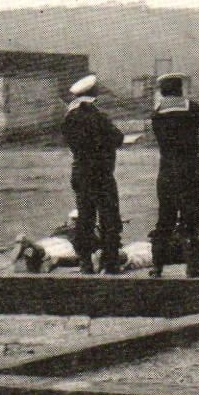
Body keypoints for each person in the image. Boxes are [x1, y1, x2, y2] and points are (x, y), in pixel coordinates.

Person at [149, 74, 199, 278]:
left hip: (166, 171)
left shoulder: (157, 113)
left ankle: (157, 266)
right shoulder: (192, 108)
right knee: (191, 218)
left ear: (162, 91)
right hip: (189, 171)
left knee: (164, 219)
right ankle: (193, 266)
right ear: (181, 89)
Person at [60, 74, 126, 274]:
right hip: (101, 174)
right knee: (109, 218)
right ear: (92, 94)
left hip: (81, 172)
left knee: (85, 218)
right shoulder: (97, 116)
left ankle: (85, 262)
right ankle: (110, 262)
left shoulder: (69, 118)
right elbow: (118, 138)